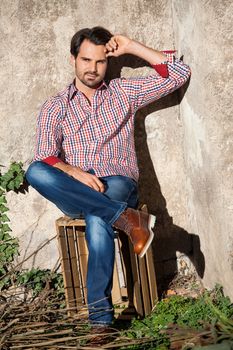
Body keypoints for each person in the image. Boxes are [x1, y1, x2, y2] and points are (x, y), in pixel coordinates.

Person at [26, 26, 191, 329]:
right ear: (73, 59)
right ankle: (126, 219)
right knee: (34, 171)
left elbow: (178, 74)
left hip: (118, 183)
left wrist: (131, 46)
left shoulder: (122, 92)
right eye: (86, 60)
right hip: (76, 188)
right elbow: (46, 156)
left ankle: (100, 324)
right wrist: (74, 172)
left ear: (107, 62)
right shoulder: (56, 105)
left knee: (97, 217)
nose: (93, 68)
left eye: (100, 61)